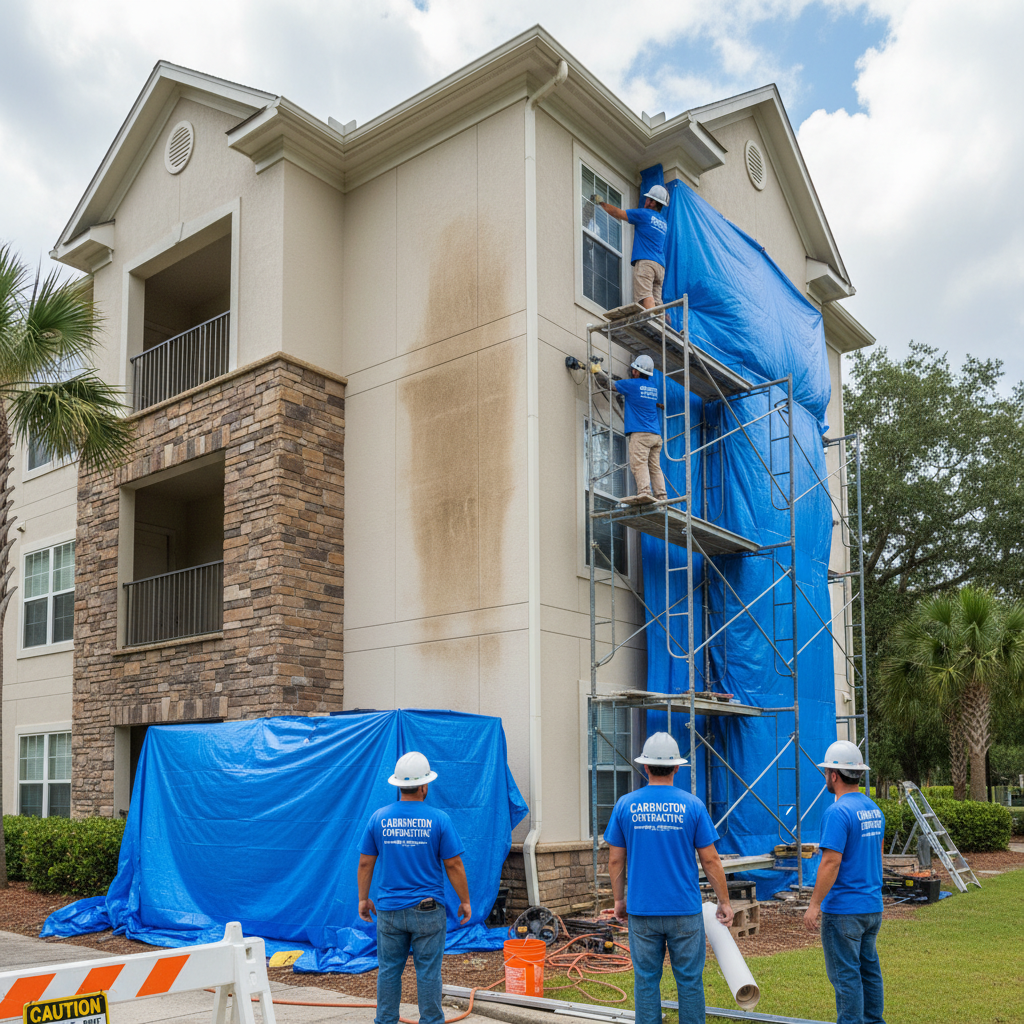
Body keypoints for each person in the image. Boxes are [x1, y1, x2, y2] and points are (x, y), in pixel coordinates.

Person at [604, 732, 734, 1024]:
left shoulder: (625, 805)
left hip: (642, 910)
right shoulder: (693, 806)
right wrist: (724, 901)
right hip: (684, 911)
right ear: (677, 767)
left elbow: (615, 858)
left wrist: (618, 900)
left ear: (645, 767)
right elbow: (711, 859)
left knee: (646, 981)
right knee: (689, 981)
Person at [358, 751, 471, 1024]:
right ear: (424, 786)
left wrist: (363, 899)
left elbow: (364, 863)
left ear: (398, 785)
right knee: (429, 973)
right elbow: (453, 865)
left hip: (389, 911)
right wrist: (465, 901)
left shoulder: (379, 819)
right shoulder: (439, 819)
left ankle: (385, 1020)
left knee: (388, 971)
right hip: (428, 912)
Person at [803, 740, 885, 1024]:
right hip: (872, 907)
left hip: (845, 911)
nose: (826, 776)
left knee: (846, 975)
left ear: (834, 775)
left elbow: (831, 862)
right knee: (868, 970)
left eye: (827, 772)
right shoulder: (873, 809)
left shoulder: (837, 812)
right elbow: (878, 852)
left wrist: (814, 905)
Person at [592, 185, 669, 309]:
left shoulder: (644, 214)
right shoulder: (663, 223)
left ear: (652, 202)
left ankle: (652, 325)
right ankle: (660, 324)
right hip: (660, 267)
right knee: (657, 302)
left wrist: (601, 203)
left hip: (646, 262)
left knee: (645, 296)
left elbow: (618, 213)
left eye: (648, 199)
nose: (645, 201)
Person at [614, 354, 666, 504]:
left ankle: (644, 492)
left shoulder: (632, 385)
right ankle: (661, 496)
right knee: (655, 467)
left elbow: (611, 385)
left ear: (636, 371)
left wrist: (596, 370)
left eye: (633, 369)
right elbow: (642, 400)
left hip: (641, 434)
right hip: (655, 435)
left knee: (639, 463)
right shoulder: (653, 388)